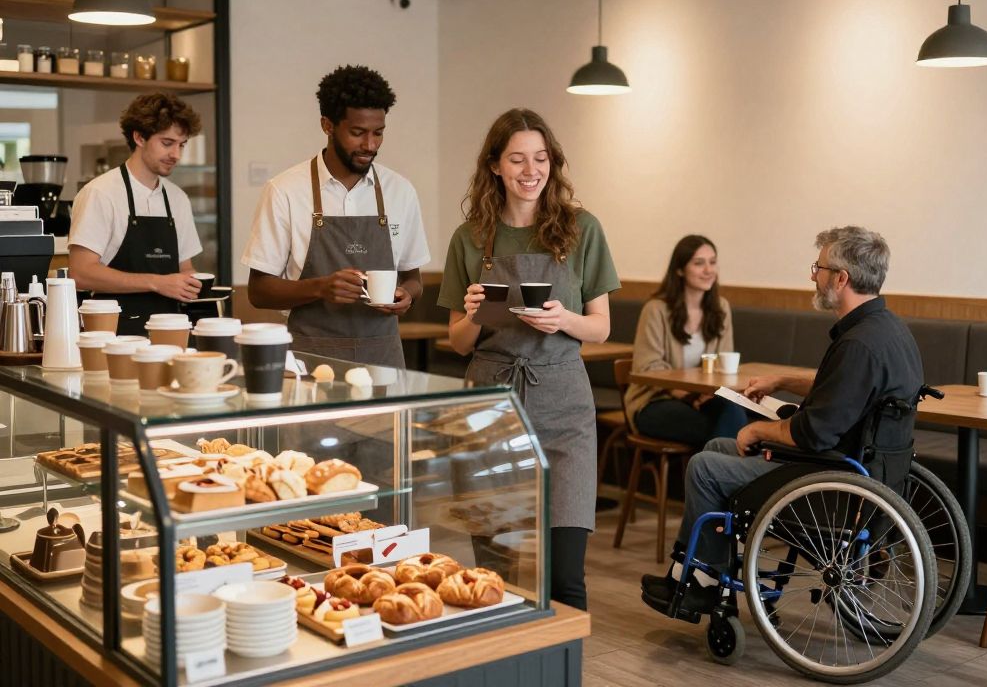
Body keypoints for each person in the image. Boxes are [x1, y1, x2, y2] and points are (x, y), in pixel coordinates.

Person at [641, 226, 923, 617]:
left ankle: (702, 580)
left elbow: (813, 432)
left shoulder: (858, 344)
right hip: (865, 465)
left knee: (705, 467)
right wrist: (784, 381)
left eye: (819, 268)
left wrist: (757, 429)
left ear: (841, 279)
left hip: (826, 474)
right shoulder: (888, 330)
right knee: (718, 445)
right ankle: (693, 573)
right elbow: (841, 389)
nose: (813, 276)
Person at [437, 108, 620, 611]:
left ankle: (565, 658)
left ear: (552, 163)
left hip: (563, 407)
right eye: (517, 159)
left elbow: (601, 327)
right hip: (490, 408)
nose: (530, 170)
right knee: (496, 572)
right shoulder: (470, 238)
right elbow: (458, 342)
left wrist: (563, 320)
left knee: (565, 575)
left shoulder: (581, 229)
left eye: (540, 158)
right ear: (495, 165)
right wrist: (475, 315)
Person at [241, 65, 429, 367]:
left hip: (384, 359)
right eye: (357, 133)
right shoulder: (285, 190)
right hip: (310, 358)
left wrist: (406, 294)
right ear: (327, 125)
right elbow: (259, 291)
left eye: (378, 133)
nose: (370, 145)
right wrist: (320, 287)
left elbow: (412, 277)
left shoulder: (400, 191)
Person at [69, 92, 204, 335]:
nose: (176, 154)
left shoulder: (178, 199)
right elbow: (81, 273)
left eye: (181, 144)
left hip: (169, 330)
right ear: (139, 137)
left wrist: (194, 283)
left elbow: (185, 268)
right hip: (112, 333)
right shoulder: (100, 193)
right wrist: (157, 283)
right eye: (167, 143)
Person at [625, 235, 747, 445]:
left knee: (735, 412)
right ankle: (716, 465)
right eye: (699, 263)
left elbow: (723, 364)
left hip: (704, 398)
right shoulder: (656, 309)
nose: (708, 270)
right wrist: (689, 395)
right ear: (680, 270)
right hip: (655, 400)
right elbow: (648, 368)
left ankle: (712, 464)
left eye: (712, 262)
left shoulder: (721, 308)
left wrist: (704, 395)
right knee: (725, 428)